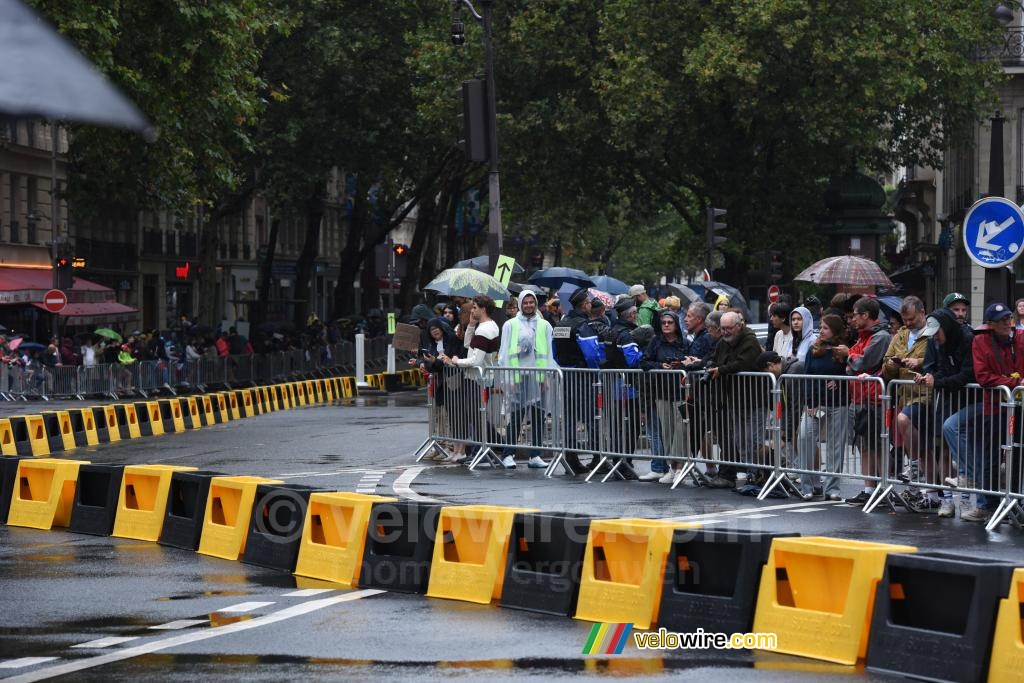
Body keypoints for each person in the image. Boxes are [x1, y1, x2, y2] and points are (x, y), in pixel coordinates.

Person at [956, 303, 1024, 522]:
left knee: (1018, 456)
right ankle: (987, 506)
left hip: (1019, 407)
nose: (1007, 322)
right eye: (1001, 320)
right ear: (991, 324)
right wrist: (1015, 382)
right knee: (990, 457)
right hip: (994, 407)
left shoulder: (1020, 338)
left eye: (1008, 318)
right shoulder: (981, 340)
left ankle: (1016, 502)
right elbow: (983, 377)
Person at [833, 297, 891, 506]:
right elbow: (853, 366)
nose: (852, 319)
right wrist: (853, 358)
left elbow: (861, 362)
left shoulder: (881, 337)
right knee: (863, 445)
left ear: (866, 315)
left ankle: (882, 487)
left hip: (874, 397)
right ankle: (868, 488)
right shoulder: (862, 337)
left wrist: (850, 355)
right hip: (859, 397)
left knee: (876, 444)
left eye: (855, 315)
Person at [496, 290, 554, 469]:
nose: (529, 305)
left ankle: (535, 455)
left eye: (532, 302)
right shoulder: (510, 325)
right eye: (526, 302)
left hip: (538, 377)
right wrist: (509, 379)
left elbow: (548, 353)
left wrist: (546, 377)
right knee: (516, 417)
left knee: (538, 417)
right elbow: (505, 352)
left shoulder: (544, 325)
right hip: (518, 377)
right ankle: (508, 454)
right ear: (520, 304)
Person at [794, 314, 849, 500]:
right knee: (805, 437)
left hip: (837, 402)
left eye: (826, 328)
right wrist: (810, 403)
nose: (822, 331)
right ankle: (807, 485)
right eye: (821, 327)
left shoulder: (841, 351)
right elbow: (807, 377)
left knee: (836, 446)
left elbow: (850, 373)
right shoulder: (813, 350)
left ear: (835, 330)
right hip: (815, 404)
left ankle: (833, 488)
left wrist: (839, 382)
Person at [640, 310, 690, 483]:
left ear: (676, 324)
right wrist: (660, 365)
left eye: (670, 322)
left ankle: (680, 467)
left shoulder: (685, 342)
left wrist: (681, 364)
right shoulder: (656, 342)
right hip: (661, 392)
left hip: (681, 392)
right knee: (667, 431)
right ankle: (671, 467)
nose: (667, 325)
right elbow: (644, 362)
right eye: (664, 323)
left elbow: (693, 362)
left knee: (680, 431)